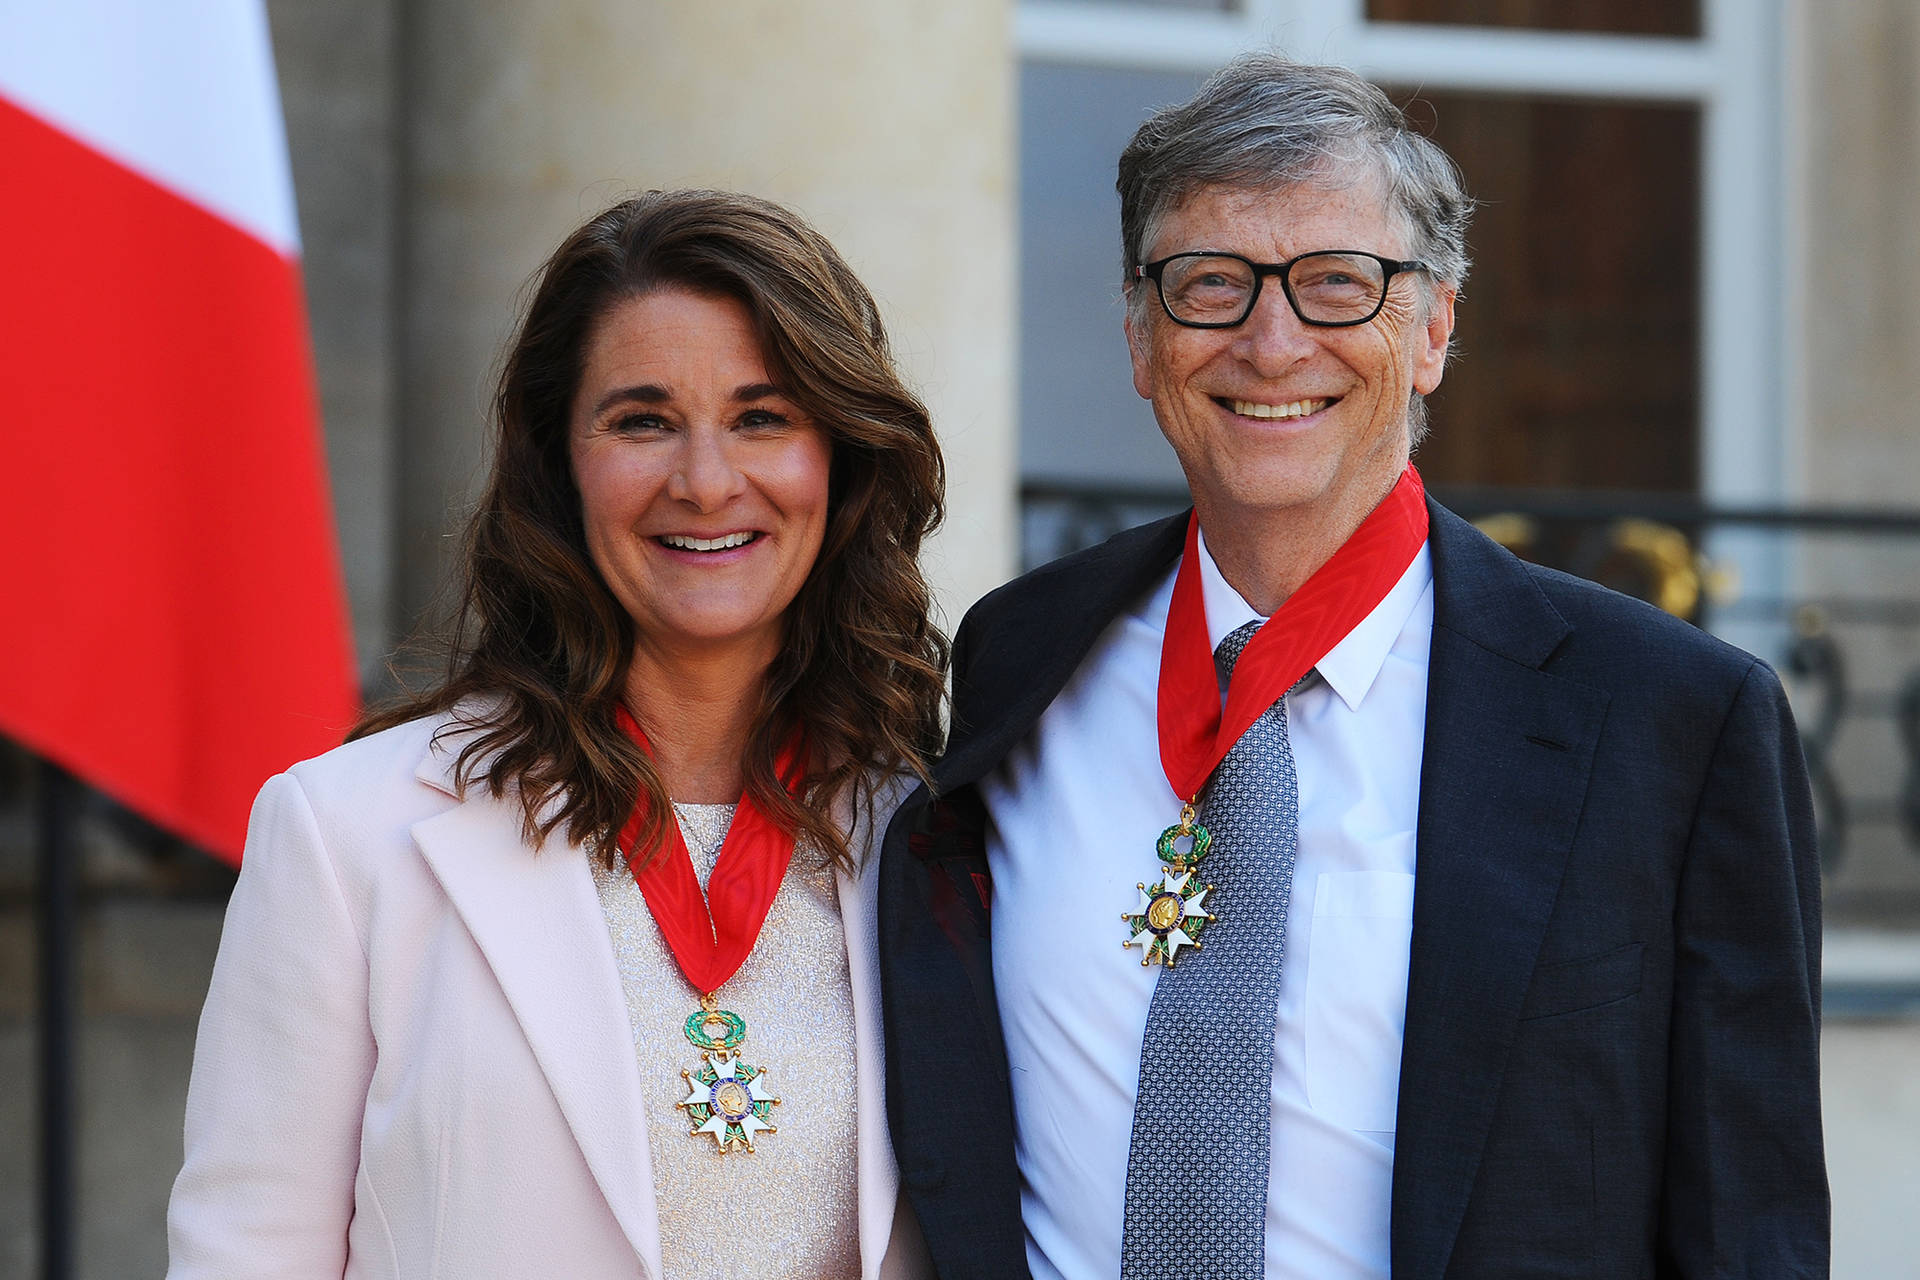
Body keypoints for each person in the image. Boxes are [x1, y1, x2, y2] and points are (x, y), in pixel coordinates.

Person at [880, 53, 1827, 1280]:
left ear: (1432, 330)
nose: (1272, 343)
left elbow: (1750, 1231)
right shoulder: (1021, 652)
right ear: (1139, 335)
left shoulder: (1672, 722)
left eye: (1338, 283)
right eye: (1209, 283)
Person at [167, 189, 943, 1279]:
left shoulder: (927, 834)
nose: (706, 480)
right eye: (643, 420)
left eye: (763, 417)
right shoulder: (345, 834)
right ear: (559, 462)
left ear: (842, 459)